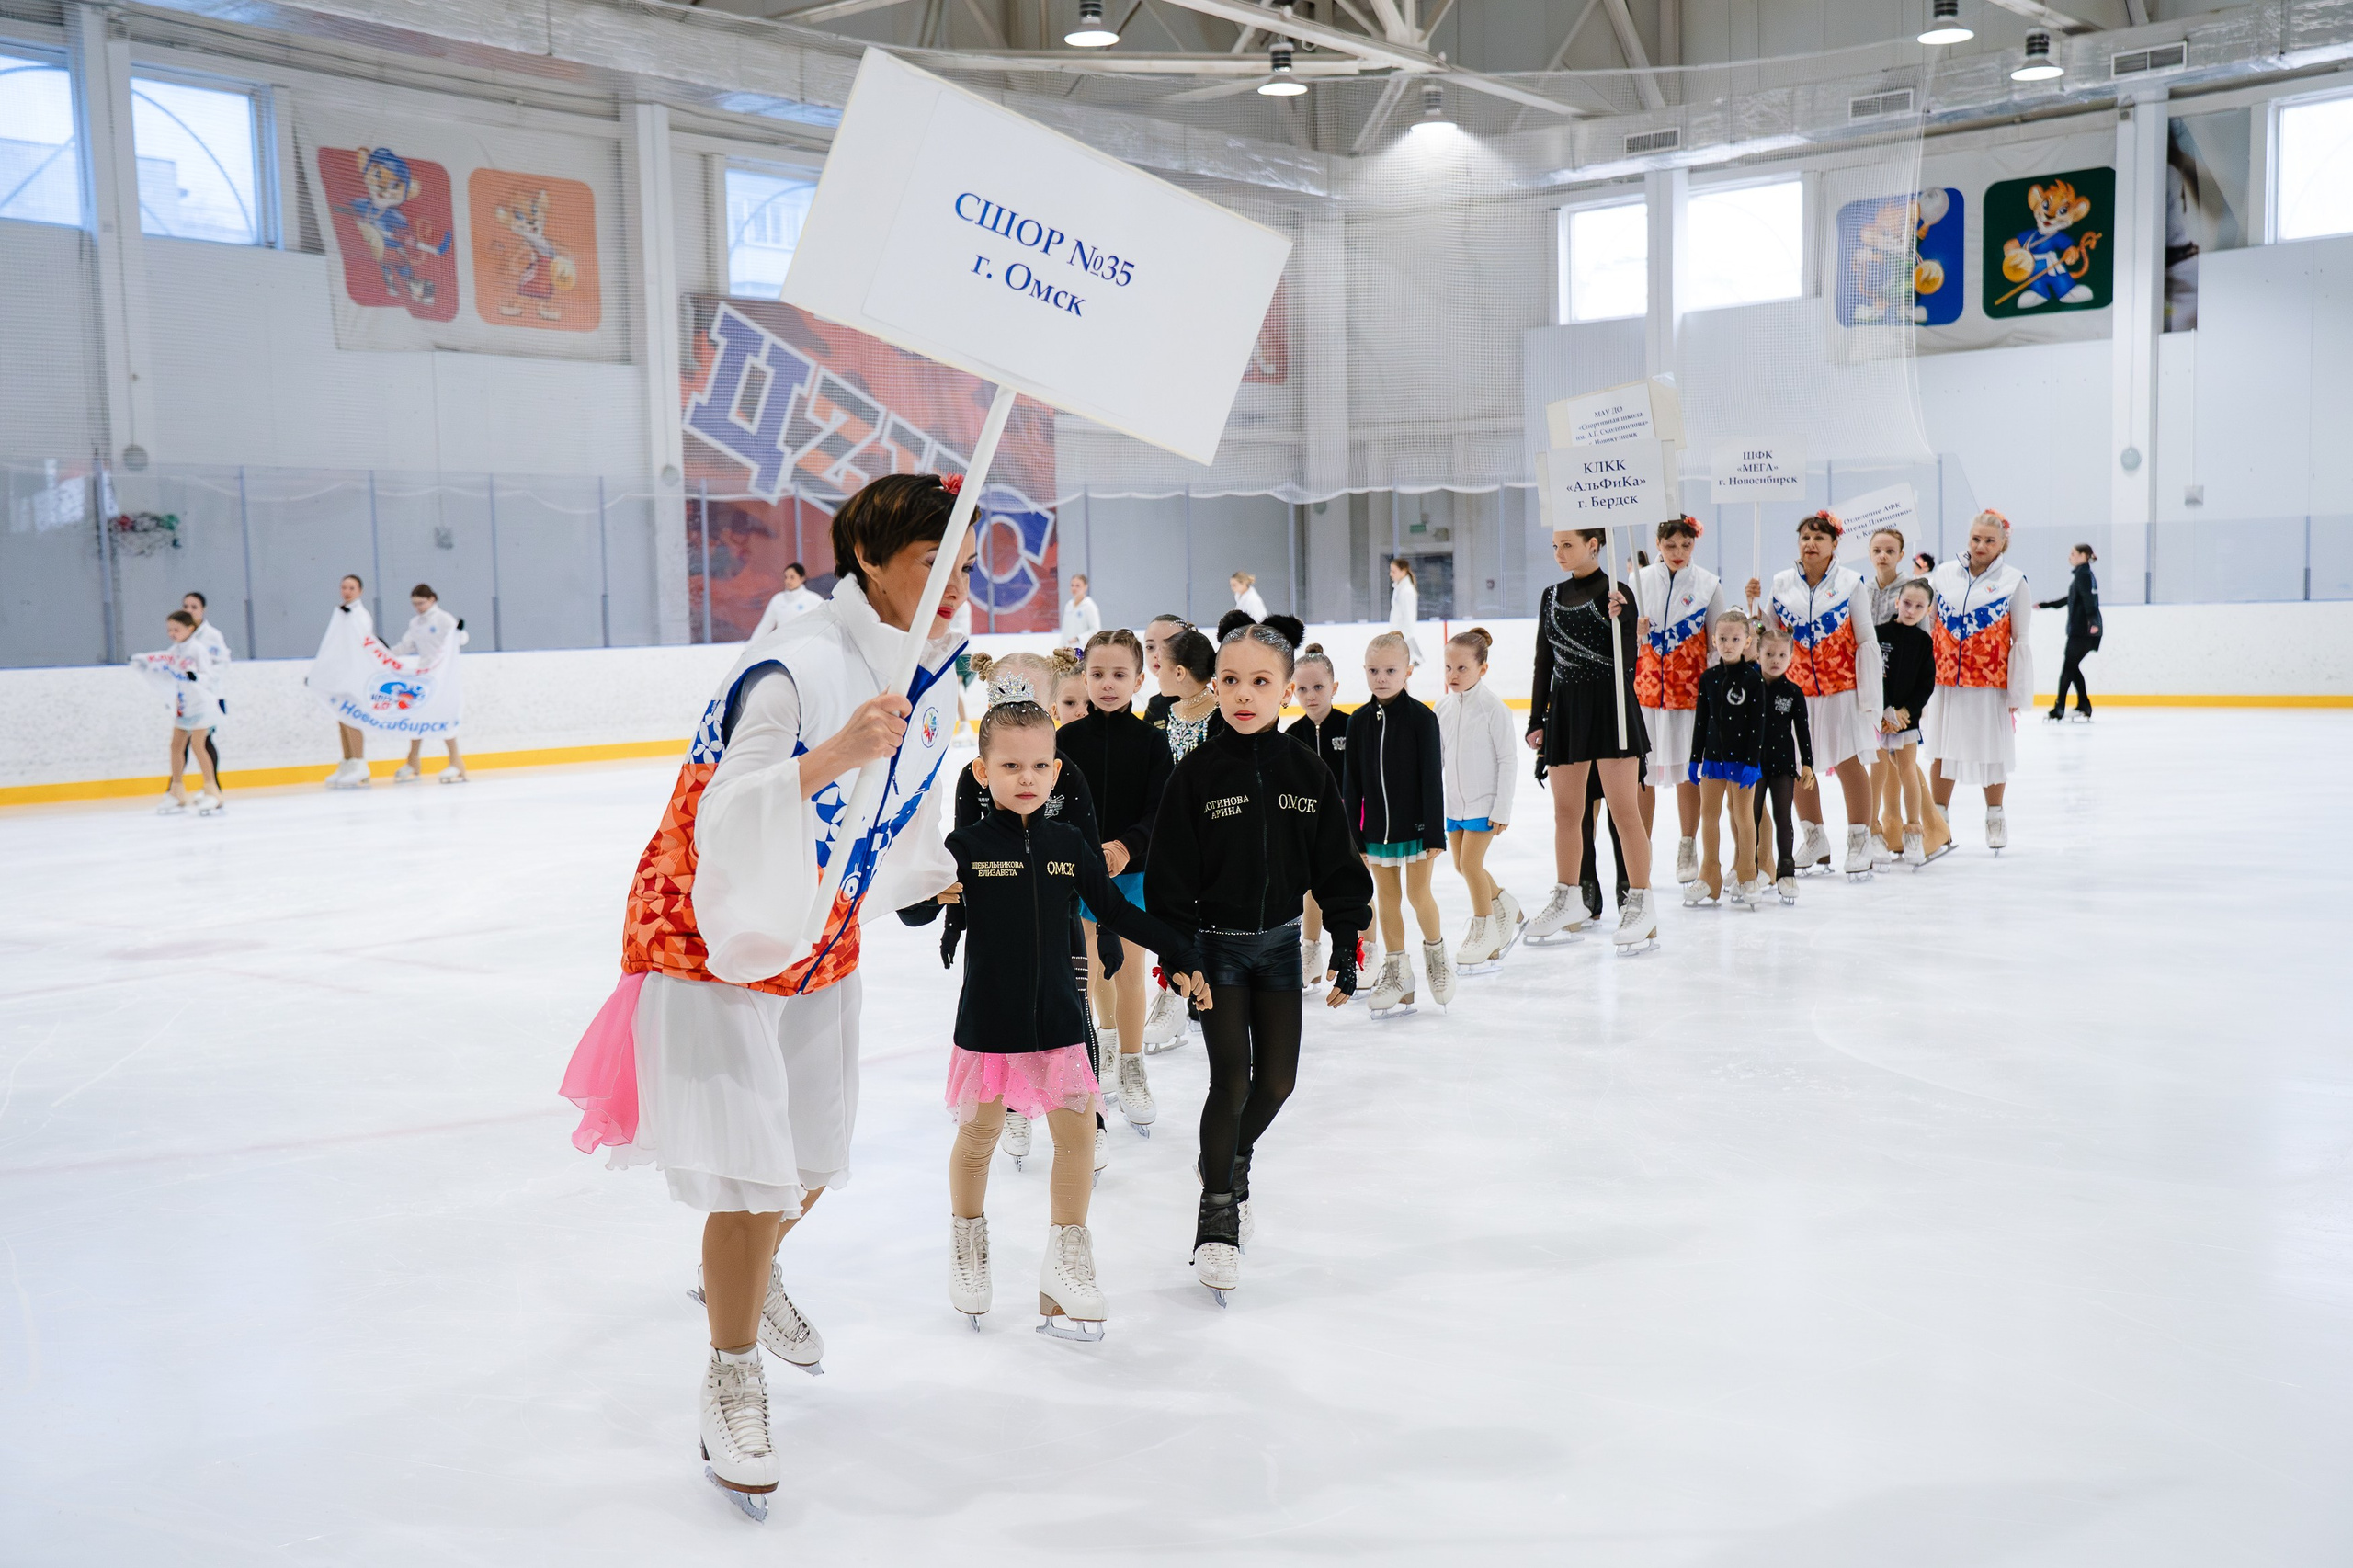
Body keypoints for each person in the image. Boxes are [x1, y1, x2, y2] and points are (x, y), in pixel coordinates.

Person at [555, 473, 971, 1520]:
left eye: (963, 565)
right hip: (717, 937)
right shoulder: (795, 662)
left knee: (808, 1168)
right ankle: (730, 1374)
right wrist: (833, 750)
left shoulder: (931, 678)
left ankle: (748, 1272)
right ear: (870, 561)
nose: (955, 586)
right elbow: (726, 808)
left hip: (819, 939)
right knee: (748, 1183)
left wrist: (954, 872)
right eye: (933, 564)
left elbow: (901, 824)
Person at [900, 688, 1204, 1341]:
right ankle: (968, 1244)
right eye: (1010, 767)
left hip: (1060, 1021)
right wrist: (920, 886)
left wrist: (1179, 947)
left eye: (1039, 766)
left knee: (1079, 1137)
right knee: (978, 1136)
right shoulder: (967, 846)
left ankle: (1065, 1261)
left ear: (1058, 770)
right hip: (990, 1021)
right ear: (983, 773)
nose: (1027, 778)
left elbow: (1115, 913)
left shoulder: (1070, 843)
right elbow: (917, 911)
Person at [1146, 623, 1372, 1303]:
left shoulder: (1307, 770)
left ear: (1285, 689)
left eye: (1262, 682)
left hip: (1277, 949)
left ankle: (1229, 1153)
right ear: (1216, 684)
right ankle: (1218, 1216)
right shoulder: (1196, 775)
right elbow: (1169, 878)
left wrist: (1344, 942)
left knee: (1277, 1083)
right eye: (1232, 681)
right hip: (1214, 950)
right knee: (1231, 1082)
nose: (1245, 695)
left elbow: (1337, 864)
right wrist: (1179, 955)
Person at [957, 651, 1108, 1180]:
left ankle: (1088, 1120)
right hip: (1000, 925)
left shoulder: (1067, 776)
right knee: (1006, 1018)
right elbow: (959, 861)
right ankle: (1015, 1107)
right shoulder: (972, 780)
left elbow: (1087, 849)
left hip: (1061, 918)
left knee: (1071, 1013)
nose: (1028, 775)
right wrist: (954, 917)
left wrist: (1103, 926)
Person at [1060, 628, 1175, 1128]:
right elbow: (1053, 807)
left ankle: (1132, 1064)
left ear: (1139, 679)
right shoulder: (1065, 741)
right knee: (1088, 970)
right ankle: (1105, 1044)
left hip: (1132, 874)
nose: (1108, 684)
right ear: (1084, 679)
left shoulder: (1152, 743)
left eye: (1119, 675)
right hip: (1078, 876)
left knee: (1128, 970)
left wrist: (1128, 846)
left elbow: (1159, 812)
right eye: (1098, 674)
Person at [1524, 527, 1657, 951]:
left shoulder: (1616, 592)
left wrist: (1623, 623)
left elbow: (1628, 665)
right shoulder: (1550, 595)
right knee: (1567, 812)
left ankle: (1641, 900)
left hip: (1611, 706)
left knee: (1624, 811)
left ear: (1593, 546)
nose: (1560, 553)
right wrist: (1535, 718)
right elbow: (1543, 661)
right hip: (1565, 710)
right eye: (1556, 546)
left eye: (1568, 545)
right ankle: (1569, 897)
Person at [1745, 512, 1884, 879]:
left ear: (1834, 545)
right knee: (1795, 765)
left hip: (1842, 690)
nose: (1811, 544)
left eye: (1819, 538)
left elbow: (1866, 638)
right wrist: (1755, 612)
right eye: (1805, 537)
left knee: (1848, 762)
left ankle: (1859, 838)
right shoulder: (1781, 583)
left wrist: (1870, 695)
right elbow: (1769, 636)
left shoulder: (1851, 583)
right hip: (1796, 692)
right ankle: (1815, 837)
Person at [1342, 631, 1450, 1016]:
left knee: (1419, 895)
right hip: (1377, 833)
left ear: (1408, 671)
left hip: (1418, 829)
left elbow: (1432, 779)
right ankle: (1399, 974)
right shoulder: (1357, 723)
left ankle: (1437, 959)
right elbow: (1351, 784)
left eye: (1390, 670)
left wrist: (1435, 832)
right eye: (1374, 670)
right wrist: (1354, 837)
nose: (1381, 677)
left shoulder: (1423, 718)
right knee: (1387, 900)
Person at [1925, 510, 2034, 851]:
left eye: (1989, 540)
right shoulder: (1942, 575)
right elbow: (1929, 625)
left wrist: (2017, 689)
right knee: (1942, 748)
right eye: (1976, 538)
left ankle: (1995, 815)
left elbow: (2021, 638)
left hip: (1989, 684)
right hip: (1946, 681)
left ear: (2003, 543)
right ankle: (1938, 819)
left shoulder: (2014, 581)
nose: (1981, 545)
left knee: (1992, 751)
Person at [1633, 516, 1724, 892]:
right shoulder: (1638, 582)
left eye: (1685, 546)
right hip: (1648, 694)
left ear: (1694, 546)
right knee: (1644, 775)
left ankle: (1687, 845)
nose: (1677, 553)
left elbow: (1718, 642)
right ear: (1658, 544)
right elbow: (1622, 639)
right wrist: (1632, 631)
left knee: (1690, 771)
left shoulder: (1708, 585)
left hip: (1691, 696)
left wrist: (1715, 693)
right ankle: (1641, 849)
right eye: (1670, 546)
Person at [1436, 627, 1522, 971]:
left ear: (1482, 669)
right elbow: (1437, 758)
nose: (1453, 676)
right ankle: (1505, 902)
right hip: (1454, 805)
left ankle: (1484, 929)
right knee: (1460, 865)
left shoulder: (1493, 709)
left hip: (1484, 804)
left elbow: (1508, 760)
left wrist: (1502, 807)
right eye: (1447, 668)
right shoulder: (1441, 708)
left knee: (1470, 865)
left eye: (1461, 669)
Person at [1685, 611, 1766, 906]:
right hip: (1713, 760)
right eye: (1722, 639)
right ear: (1714, 641)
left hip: (1742, 762)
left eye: (1734, 639)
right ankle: (1709, 875)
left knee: (1743, 816)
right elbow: (1701, 722)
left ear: (1747, 641)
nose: (1728, 644)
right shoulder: (1709, 678)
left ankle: (1747, 873)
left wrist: (1753, 762)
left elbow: (1758, 725)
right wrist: (1695, 759)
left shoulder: (1754, 679)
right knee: (1709, 815)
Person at [1284, 642, 1348, 987]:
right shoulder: (1293, 736)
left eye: (1319, 687)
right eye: (1303, 689)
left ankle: (1363, 947)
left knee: (1354, 885)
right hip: (1310, 828)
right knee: (1310, 890)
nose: (1311, 696)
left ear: (1334, 688)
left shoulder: (1351, 727)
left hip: (1350, 826)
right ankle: (1310, 951)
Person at [137, 609, 229, 816]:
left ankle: (212, 791)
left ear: (190, 629)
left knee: (198, 745)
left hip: (202, 705)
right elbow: (162, 664)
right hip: (184, 706)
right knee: (176, 746)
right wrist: (143, 663)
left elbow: (209, 676)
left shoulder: (197, 649)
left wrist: (194, 676)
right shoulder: (175, 651)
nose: (172, 633)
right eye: (169, 629)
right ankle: (177, 791)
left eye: (176, 629)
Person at [1750, 624, 1816, 903]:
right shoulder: (1749, 687)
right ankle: (1750, 870)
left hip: (1783, 765)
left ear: (1790, 657)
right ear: (1758, 654)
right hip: (1752, 766)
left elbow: (1802, 731)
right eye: (1769, 654)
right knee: (1750, 817)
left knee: (1783, 818)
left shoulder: (1793, 693)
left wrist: (1808, 764)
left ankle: (1786, 871)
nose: (1775, 660)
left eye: (1781, 655)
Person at [1878, 580, 1938, 866]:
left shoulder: (1924, 642)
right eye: (1907, 603)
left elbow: (1926, 684)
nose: (1911, 610)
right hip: (1879, 718)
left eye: (1919, 606)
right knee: (1876, 773)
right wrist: (1885, 710)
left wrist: (1905, 713)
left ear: (1927, 610)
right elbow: (1875, 676)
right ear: (1896, 602)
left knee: (1908, 771)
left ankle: (1913, 831)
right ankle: (1872, 833)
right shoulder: (1879, 635)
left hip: (1906, 721)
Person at [388, 584, 469, 783]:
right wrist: (383, 652)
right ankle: (413, 762)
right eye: (415, 604)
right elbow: (407, 645)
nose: (418, 607)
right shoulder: (415, 623)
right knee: (416, 718)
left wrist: (459, 631)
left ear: (432, 599)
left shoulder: (443, 619)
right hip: (423, 677)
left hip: (442, 676)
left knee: (443, 718)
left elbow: (462, 639)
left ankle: (456, 763)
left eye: (421, 603)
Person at [1863, 527, 1911, 864]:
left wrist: (1903, 699)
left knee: (1900, 760)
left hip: (1898, 686)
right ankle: (1875, 826)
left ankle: (1899, 827)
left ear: (1901, 555)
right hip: (1867, 684)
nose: (1883, 556)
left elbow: (1919, 645)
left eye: (1889, 550)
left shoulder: (1911, 591)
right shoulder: (1860, 589)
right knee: (1879, 757)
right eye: (1877, 550)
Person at [323, 574, 374, 790]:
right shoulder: (342, 614)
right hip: (340, 673)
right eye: (344, 587)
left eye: (352, 588)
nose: (347, 591)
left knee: (352, 718)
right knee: (341, 718)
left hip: (354, 674)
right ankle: (348, 761)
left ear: (360, 591)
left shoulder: (360, 615)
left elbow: (361, 645)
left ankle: (360, 763)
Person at [2040, 544, 2101, 722]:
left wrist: (2093, 623)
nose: (2070, 557)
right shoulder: (2083, 575)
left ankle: (2059, 708)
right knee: (2072, 668)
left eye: (2073, 554)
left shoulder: (2083, 575)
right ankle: (2084, 704)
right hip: (2083, 630)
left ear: (2083, 556)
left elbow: (2090, 602)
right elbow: (2071, 599)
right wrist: (2047, 605)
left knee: (2068, 668)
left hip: (2083, 632)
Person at [178, 591, 232, 790]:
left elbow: (221, 664)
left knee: (203, 741)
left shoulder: (211, 636)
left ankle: (213, 785)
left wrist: (201, 679)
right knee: (181, 741)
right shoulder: (181, 635)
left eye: (194, 607)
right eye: (186, 607)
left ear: (203, 610)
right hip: (188, 699)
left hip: (209, 696)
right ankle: (176, 786)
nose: (189, 611)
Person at [1158, 628, 1220, 762]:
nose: (1158, 674)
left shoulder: (1222, 719)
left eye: (1160, 666)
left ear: (1179, 673)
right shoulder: (1166, 711)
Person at [1140, 614, 1191, 732]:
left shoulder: (1213, 702)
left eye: (1169, 646)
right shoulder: (1155, 705)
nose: (1157, 655)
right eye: (1150, 647)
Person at [751, 563, 825, 641]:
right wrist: (749, 647)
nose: (788, 581)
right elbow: (765, 626)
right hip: (783, 646)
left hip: (805, 646)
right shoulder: (778, 599)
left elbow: (826, 624)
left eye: (792, 577)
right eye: (786, 577)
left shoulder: (813, 599)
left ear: (802, 578)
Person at [1387, 558, 1425, 669]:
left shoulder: (1406, 591)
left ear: (1403, 572)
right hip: (1397, 637)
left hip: (1402, 637)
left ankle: (1416, 658)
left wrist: (1403, 639)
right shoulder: (1399, 589)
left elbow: (1409, 618)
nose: (1391, 574)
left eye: (1394, 571)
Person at [1061, 573, 1103, 651]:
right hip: (1068, 650)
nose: (1074, 588)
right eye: (1072, 585)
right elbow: (1065, 630)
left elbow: (1095, 630)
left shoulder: (1089, 606)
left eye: (1077, 586)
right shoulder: (1068, 605)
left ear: (1085, 587)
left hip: (1083, 650)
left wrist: (1078, 638)